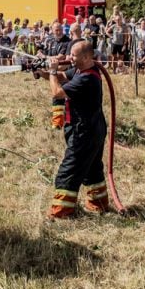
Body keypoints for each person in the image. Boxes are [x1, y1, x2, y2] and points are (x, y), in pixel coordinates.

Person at [46, 40, 110, 219]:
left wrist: (51, 71)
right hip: (94, 129)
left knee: (69, 170)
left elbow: (57, 93)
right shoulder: (81, 70)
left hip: (85, 132)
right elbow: (62, 77)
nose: (69, 57)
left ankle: (61, 213)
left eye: (73, 55)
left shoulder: (87, 78)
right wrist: (42, 71)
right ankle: (98, 205)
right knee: (92, 169)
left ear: (87, 57)